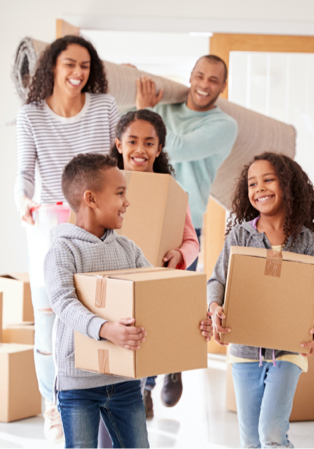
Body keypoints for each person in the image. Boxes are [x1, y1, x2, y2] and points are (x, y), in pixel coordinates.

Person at [44, 153, 213, 448]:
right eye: (120, 193)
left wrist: (193, 323)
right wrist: (106, 329)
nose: (128, 201)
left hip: (124, 380)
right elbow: (63, 302)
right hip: (78, 383)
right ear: (91, 199)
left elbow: (156, 296)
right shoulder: (62, 250)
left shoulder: (127, 248)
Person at [14, 35, 119, 441]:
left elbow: (119, 161)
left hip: (97, 227)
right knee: (49, 324)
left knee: (97, 315)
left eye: (85, 66)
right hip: (49, 227)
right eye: (69, 65)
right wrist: (22, 198)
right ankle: (53, 407)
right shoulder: (31, 115)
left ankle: (103, 400)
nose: (78, 73)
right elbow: (24, 171)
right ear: (52, 68)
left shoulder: (104, 107)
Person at [134, 55, 239, 407]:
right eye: (198, 76)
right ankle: (145, 389)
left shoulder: (224, 125)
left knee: (170, 307)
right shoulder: (167, 108)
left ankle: (172, 366)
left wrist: (147, 111)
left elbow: (175, 146)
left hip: (184, 221)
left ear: (222, 86)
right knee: (141, 305)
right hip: (145, 213)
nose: (204, 84)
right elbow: (131, 136)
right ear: (190, 77)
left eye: (213, 79)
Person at [208, 152, 314, 447]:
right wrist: (214, 308)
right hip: (244, 353)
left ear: (288, 185)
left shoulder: (307, 241)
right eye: (252, 183)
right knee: (250, 440)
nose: (259, 188)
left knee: (272, 433)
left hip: (289, 349)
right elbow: (217, 281)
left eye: (268, 180)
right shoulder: (240, 236)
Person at [109, 109, 199, 420]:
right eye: (132, 141)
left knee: (148, 333)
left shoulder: (170, 191)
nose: (140, 149)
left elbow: (191, 241)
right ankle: (142, 387)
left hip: (156, 279)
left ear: (158, 149)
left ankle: (148, 387)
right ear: (119, 145)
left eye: (149, 143)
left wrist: (180, 255)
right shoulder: (104, 185)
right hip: (117, 279)